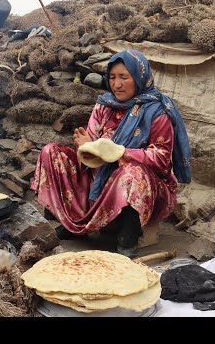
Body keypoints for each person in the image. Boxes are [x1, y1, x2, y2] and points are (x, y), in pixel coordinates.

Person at [31, 49, 192, 258]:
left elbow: (161, 158)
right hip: (99, 177)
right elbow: (92, 151)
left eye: (124, 77)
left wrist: (118, 152)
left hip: (144, 187)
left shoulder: (156, 112)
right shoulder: (104, 105)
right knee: (50, 152)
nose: (117, 84)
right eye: (113, 77)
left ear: (139, 77)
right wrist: (86, 145)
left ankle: (128, 239)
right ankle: (71, 225)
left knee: (132, 173)